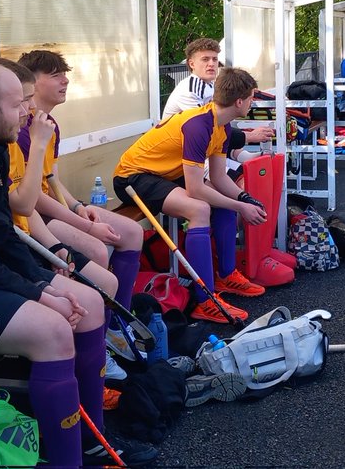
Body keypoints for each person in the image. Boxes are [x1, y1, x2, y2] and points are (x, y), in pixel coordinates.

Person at [0, 60, 156, 467]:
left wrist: (47, 279)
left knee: (90, 300)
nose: (27, 111)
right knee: (52, 329)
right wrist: (38, 291)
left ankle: (90, 443)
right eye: (19, 102)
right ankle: (64, 461)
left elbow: (1, 232)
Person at [113, 68, 269, 323]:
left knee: (221, 197)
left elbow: (219, 178)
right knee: (200, 209)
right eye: (252, 98)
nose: (252, 103)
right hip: (133, 176)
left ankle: (226, 276)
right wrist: (241, 208)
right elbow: (196, 190)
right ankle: (205, 301)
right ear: (240, 101)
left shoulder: (223, 126)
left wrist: (244, 199)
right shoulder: (199, 125)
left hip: (161, 173)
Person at [14, 50, 144, 314]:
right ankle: (99, 322)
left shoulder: (50, 124)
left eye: (65, 74)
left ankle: (123, 316)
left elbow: (53, 180)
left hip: (53, 207)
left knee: (133, 232)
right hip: (36, 214)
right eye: (55, 75)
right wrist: (84, 225)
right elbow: (32, 197)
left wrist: (76, 207)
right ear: (31, 82)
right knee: (97, 249)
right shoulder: (20, 130)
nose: (65, 81)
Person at [161, 37, 273, 155]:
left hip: (194, 150)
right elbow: (205, 129)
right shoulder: (190, 90)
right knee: (234, 172)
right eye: (205, 59)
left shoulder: (212, 85)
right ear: (191, 63)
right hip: (174, 155)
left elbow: (220, 125)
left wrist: (242, 155)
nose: (211, 64)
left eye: (215, 59)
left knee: (245, 169)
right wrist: (250, 136)